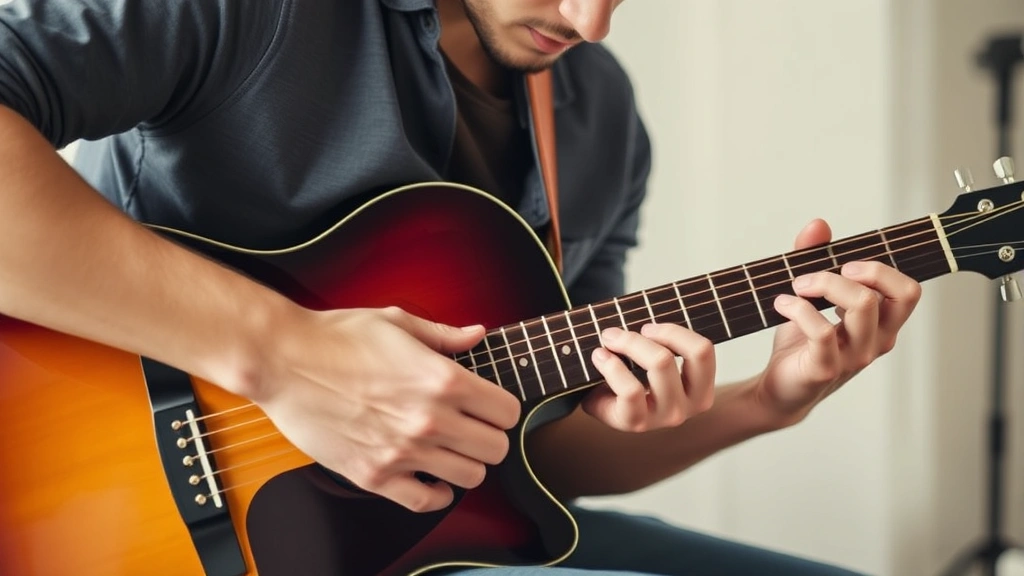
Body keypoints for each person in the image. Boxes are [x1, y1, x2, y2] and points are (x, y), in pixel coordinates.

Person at [0, 0, 921, 574]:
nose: (589, 21)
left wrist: (765, 400)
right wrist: (284, 358)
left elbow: (537, 459)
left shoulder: (599, 118)